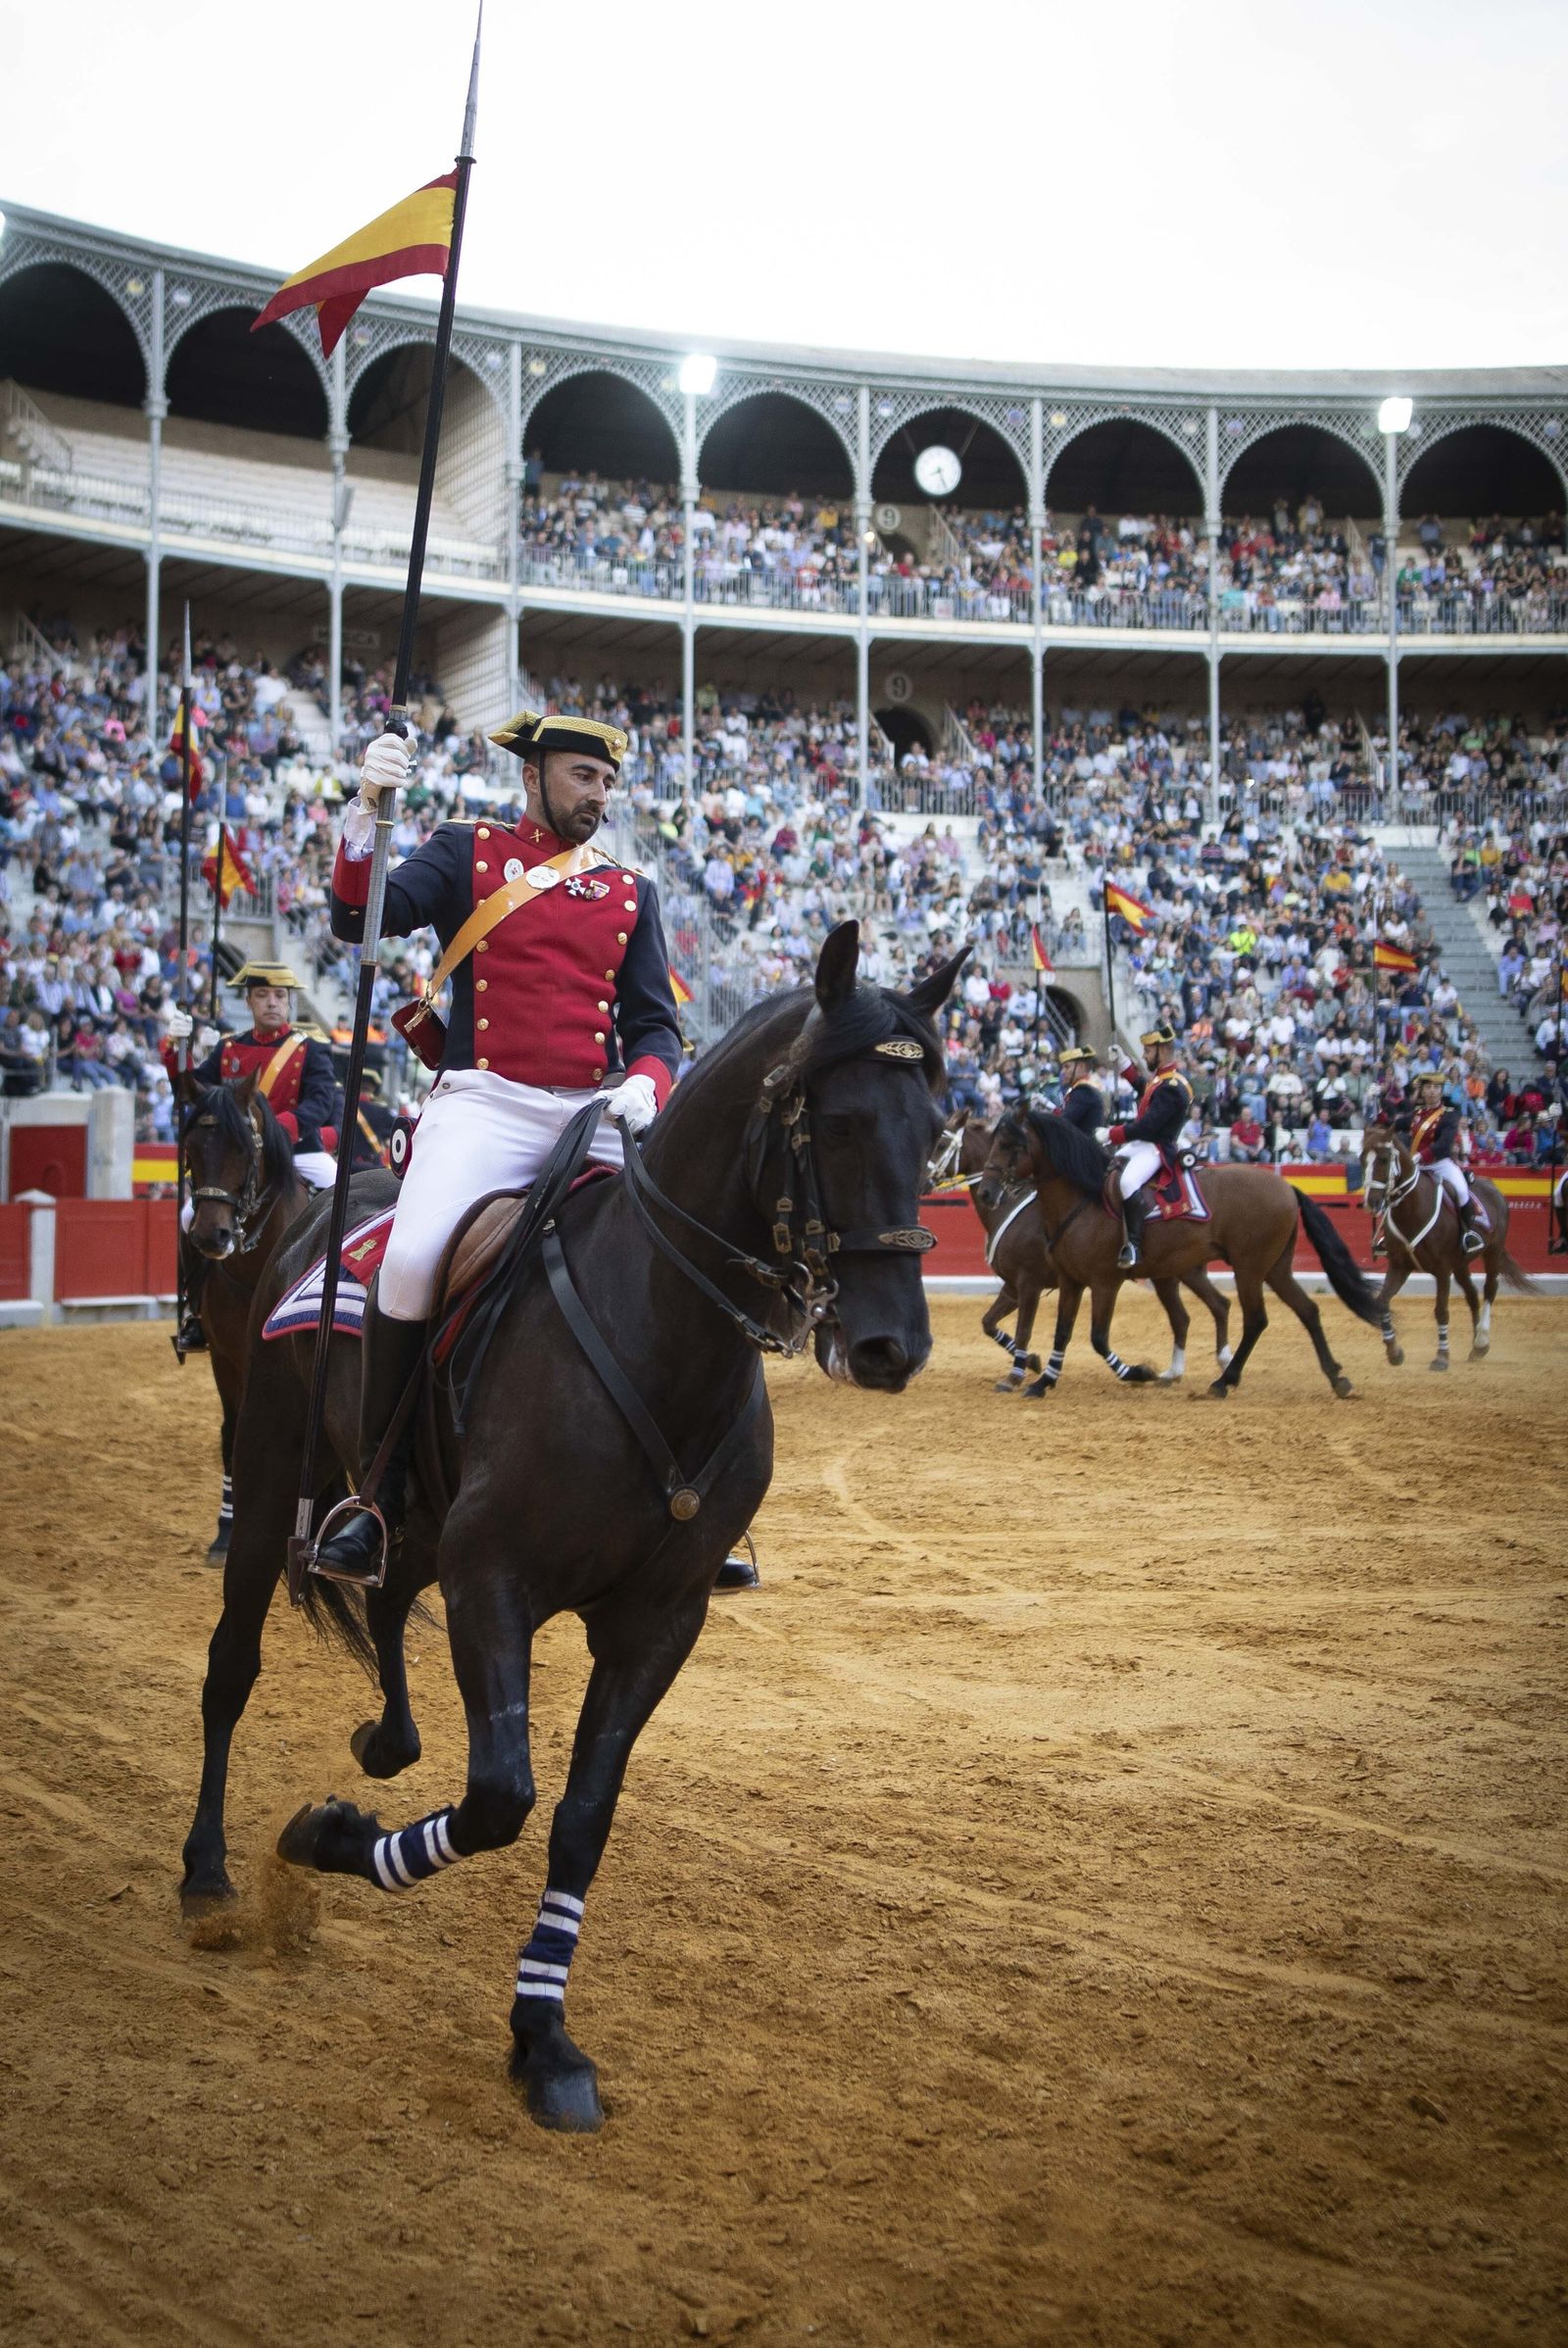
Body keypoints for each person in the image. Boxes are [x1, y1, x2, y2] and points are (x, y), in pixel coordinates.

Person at [313, 709, 724, 1587]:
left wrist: (648, 1082)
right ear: (533, 778)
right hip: (485, 1106)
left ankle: (687, 1491)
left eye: (607, 783)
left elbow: (656, 1024)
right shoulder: (467, 851)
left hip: (594, 1112)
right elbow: (361, 918)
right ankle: (380, 1499)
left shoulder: (631, 889)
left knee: (680, 1261)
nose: (599, 796)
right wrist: (367, 808)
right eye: (584, 777)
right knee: (414, 1259)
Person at [165, 962, 339, 1354]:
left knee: (342, 1198)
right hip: (238, 1157)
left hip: (297, 1152)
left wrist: (275, 1133)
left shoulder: (310, 1048)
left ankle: (338, 1301)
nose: (271, 1003)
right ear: (249, 1001)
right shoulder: (228, 1048)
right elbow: (193, 1093)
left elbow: (321, 1102)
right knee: (188, 1217)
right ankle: (196, 1311)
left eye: (279, 996)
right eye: (262, 996)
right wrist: (177, 1053)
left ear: (290, 1003)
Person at [1106, 1023, 1194, 1268]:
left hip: (1156, 1147)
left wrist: (1112, 1133)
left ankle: (1134, 1245)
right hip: (1141, 1144)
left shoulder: (1173, 1087)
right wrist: (1123, 1063)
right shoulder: (1163, 1081)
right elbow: (1144, 1088)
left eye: (1147, 1051)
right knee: (1106, 1164)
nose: (1144, 1056)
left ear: (1163, 1049)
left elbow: (1147, 1127)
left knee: (1128, 1181)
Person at [1403, 1068, 1483, 1254]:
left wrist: (1420, 1156)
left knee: (1462, 1191)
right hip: (1416, 1165)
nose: (1431, 1091)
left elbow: (1444, 1144)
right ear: (1422, 1091)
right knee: (1395, 1192)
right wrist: (1378, 1107)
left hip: (1439, 1164)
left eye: (1435, 1087)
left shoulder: (1449, 1115)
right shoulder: (1416, 1114)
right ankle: (1387, 1234)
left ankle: (1467, 1234)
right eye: (1428, 1087)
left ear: (1441, 1091)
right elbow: (1393, 1123)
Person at [1055, 1044, 1104, 1134]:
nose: (1063, 1072)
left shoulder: (1084, 1091)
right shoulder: (1082, 1088)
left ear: (1081, 1067)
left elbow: (1063, 1123)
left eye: (1067, 1067)